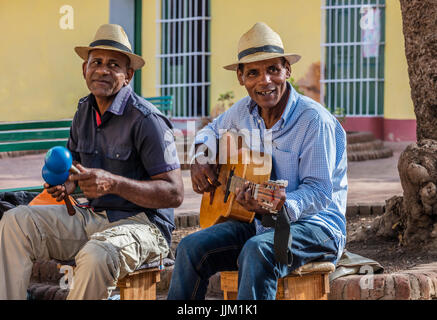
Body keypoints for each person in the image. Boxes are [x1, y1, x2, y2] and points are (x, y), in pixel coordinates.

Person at [0, 24, 184, 300]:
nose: (102, 70)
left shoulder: (147, 120)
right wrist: (66, 185)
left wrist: (113, 184)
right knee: (15, 221)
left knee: (96, 254)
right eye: (96, 62)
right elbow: (74, 173)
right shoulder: (83, 112)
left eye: (114, 65)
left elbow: (175, 193)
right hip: (92, 218)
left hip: (144, 225)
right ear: (84, 69)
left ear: (128, 75)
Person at [167, 22, 347, 300]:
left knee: (258, 249)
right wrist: (201, 157)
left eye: (273, 69)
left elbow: (320, 192)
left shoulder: (314, 121)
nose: (265, 81)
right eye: (253, 72)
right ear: (241, 77)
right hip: (259, 222)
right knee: (190, 247)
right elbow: (210, 131)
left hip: (317, 227)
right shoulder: (243, 111)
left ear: (287, 69)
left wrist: (280, 205)